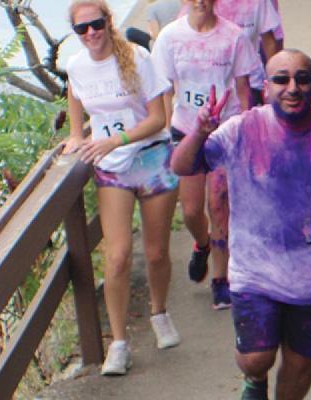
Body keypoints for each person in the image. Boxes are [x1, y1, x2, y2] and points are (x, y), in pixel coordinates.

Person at [171, 49, 311, 400]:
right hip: (253, 271)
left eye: (302, 79)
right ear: (266, 87)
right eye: (282, 79)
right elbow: (183, 166)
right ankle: (254, 382)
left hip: (309, 276)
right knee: (256, 358)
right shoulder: (242, 128)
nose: (293, 87)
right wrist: (197, 131)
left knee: (300, 366)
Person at [62, 0, 180, 376]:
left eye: (96, 25)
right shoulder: (77, 66)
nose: (91, 34)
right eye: (82, 29)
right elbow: (76, 99)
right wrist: (76, 135)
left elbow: (159, 119)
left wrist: (115, 140)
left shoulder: (137, 57)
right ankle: (118, 343)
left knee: (157, 251)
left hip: (151, 157)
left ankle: (159, 313)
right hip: (112, 169)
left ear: (108, 22)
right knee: (117, 256)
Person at [151, 0, 260, 309]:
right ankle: (203, 243)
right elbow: (165, 90)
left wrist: (247, 129)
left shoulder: (234, 37)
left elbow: (243, 90)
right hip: (187, 130)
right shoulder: (171, 37)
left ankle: (220, 279)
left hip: (225, 132)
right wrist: (166, 128)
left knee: (219, 205)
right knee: (191, 210)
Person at [211, 0, 281, 106]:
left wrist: (276, 80)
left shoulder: (258, 2)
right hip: (213, 83)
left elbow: (270, 42)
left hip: (251, 82)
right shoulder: (203, 4)